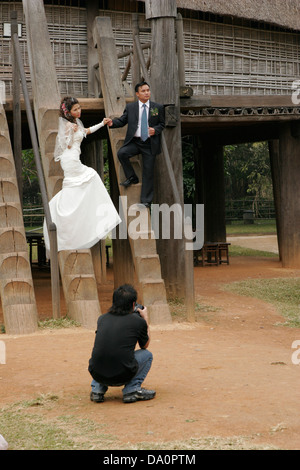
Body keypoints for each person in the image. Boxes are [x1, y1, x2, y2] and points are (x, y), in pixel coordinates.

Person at [43, 96, 121, 254]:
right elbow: (68, 145)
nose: (79, 111)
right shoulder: (67, 125)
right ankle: (69, 215)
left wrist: (102, 123)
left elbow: (87, 131)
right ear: (69, 113)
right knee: (91, 176)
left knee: (85, 181)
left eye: (79, 108)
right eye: (75, 109)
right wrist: (70, 133)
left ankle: (75, 214)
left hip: (73, 159)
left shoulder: (77, 123)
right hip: (70, 160)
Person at [88, 284, 155, 404]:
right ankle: (132, 389)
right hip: (122, 374)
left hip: (97, 373)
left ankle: (97, 390)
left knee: (105, 353)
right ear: (133, 304)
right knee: (147, 355)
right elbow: (145, 345)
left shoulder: (102, 319)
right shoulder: (138, 322)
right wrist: (145, 318)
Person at [107, 81, 165, 208]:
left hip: (150, 144)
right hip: (135, 142)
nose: (146, 93)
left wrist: (155, 130)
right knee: (122, 153)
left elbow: (162, 124)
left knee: (148, 172)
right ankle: (132, 177)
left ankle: (146, 201)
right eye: (143, 91)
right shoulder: (131, 107)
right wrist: (112, 123)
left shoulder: (157, 107)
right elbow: (122, 121)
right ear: (137, 94)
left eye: (148, 90)